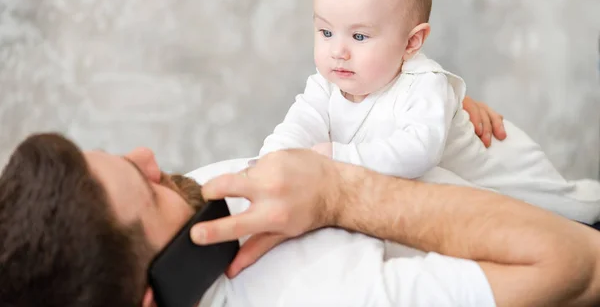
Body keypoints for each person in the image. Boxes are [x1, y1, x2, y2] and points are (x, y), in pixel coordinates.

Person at [1, 103, 599, 306]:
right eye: (146, 187)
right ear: (155, 293)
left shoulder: (202, 212)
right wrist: (342, 194)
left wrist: (425, 112)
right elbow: (579, 266)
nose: (149, 156)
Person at [258, 0, 600, 223]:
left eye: (359, 36)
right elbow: (298, 126)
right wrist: (270, 163)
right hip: (461, 198)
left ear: (411, 43)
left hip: (505, 174)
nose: (338, 51)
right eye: (326, 32)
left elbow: (418, 151)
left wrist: (337, 157)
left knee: (574, 210)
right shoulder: (325, 85)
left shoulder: (424, 83)